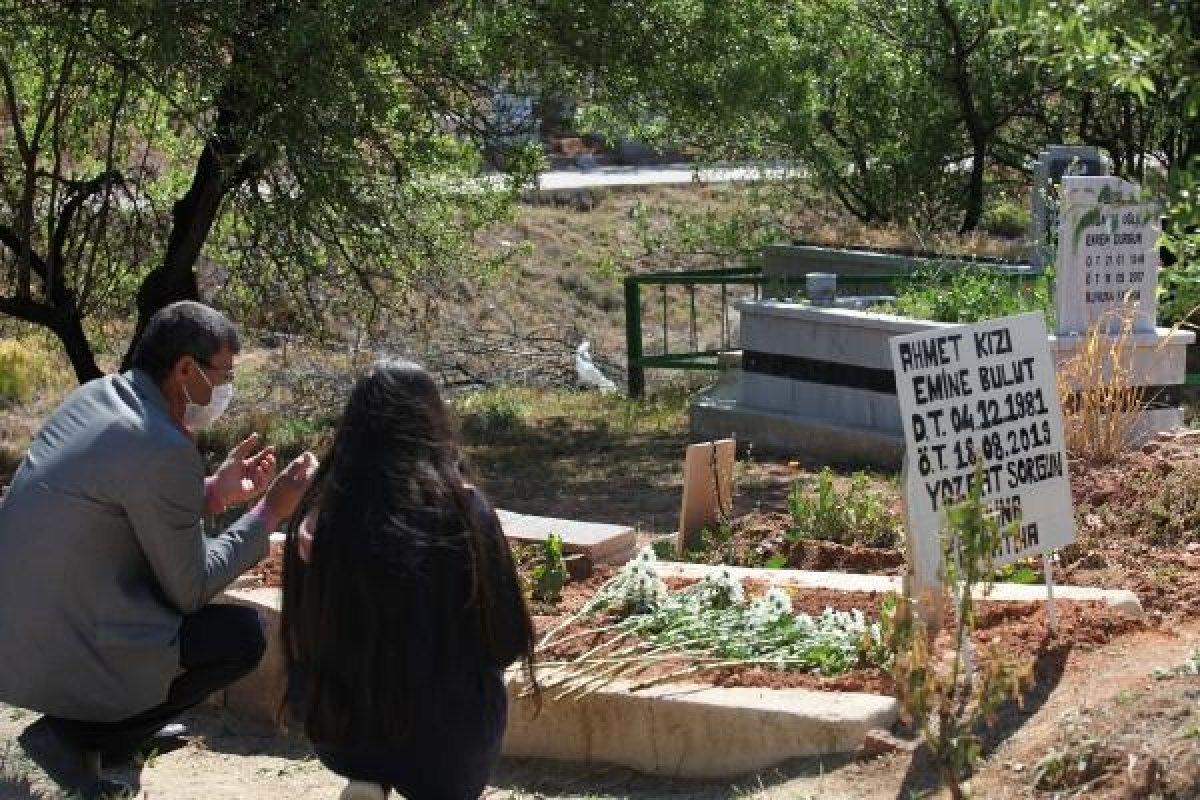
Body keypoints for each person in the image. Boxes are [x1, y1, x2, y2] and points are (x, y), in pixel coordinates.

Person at [0, 301, 318, 798]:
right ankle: (77, 736)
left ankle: (115, 731)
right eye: (224, 375)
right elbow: (192, 587)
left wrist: (215, 494)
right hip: (71, 648)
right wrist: (269, 512)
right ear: (186, 369)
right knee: (240, 636)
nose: (226, 388)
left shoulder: (97, 398)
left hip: (21, 640)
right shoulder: (161, 445)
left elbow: (121, 505)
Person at [280, 359, 536, 800]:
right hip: (444, 744)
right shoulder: (464, 510)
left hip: (341, 733)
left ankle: (368, 778)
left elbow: (301, 639)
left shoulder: (317, 517)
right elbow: (508, 640)